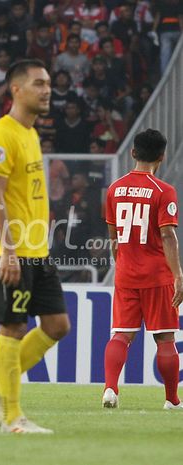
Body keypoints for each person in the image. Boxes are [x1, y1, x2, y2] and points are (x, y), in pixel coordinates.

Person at [0, 59, 70, 434]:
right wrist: (8, 250)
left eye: (48, 84)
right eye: (39, 84)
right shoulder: (3, 134)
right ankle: (13, 418)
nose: (47, 90)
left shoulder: (30, 133)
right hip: (8, 250)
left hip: (36, 250)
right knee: (12, 326)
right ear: (16, 89)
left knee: (58, 325)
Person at [102, 129, 183, 410]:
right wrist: (178, 275)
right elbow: (168, 236)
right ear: (162, 156)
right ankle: (172, 400)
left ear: (133, 153)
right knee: (164, 338)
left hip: (125, 272)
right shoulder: (164, 191)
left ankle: (110, 389)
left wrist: (122, 264)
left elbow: (113, 237)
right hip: (157, 275)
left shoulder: (114, 189)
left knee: (121, 335)